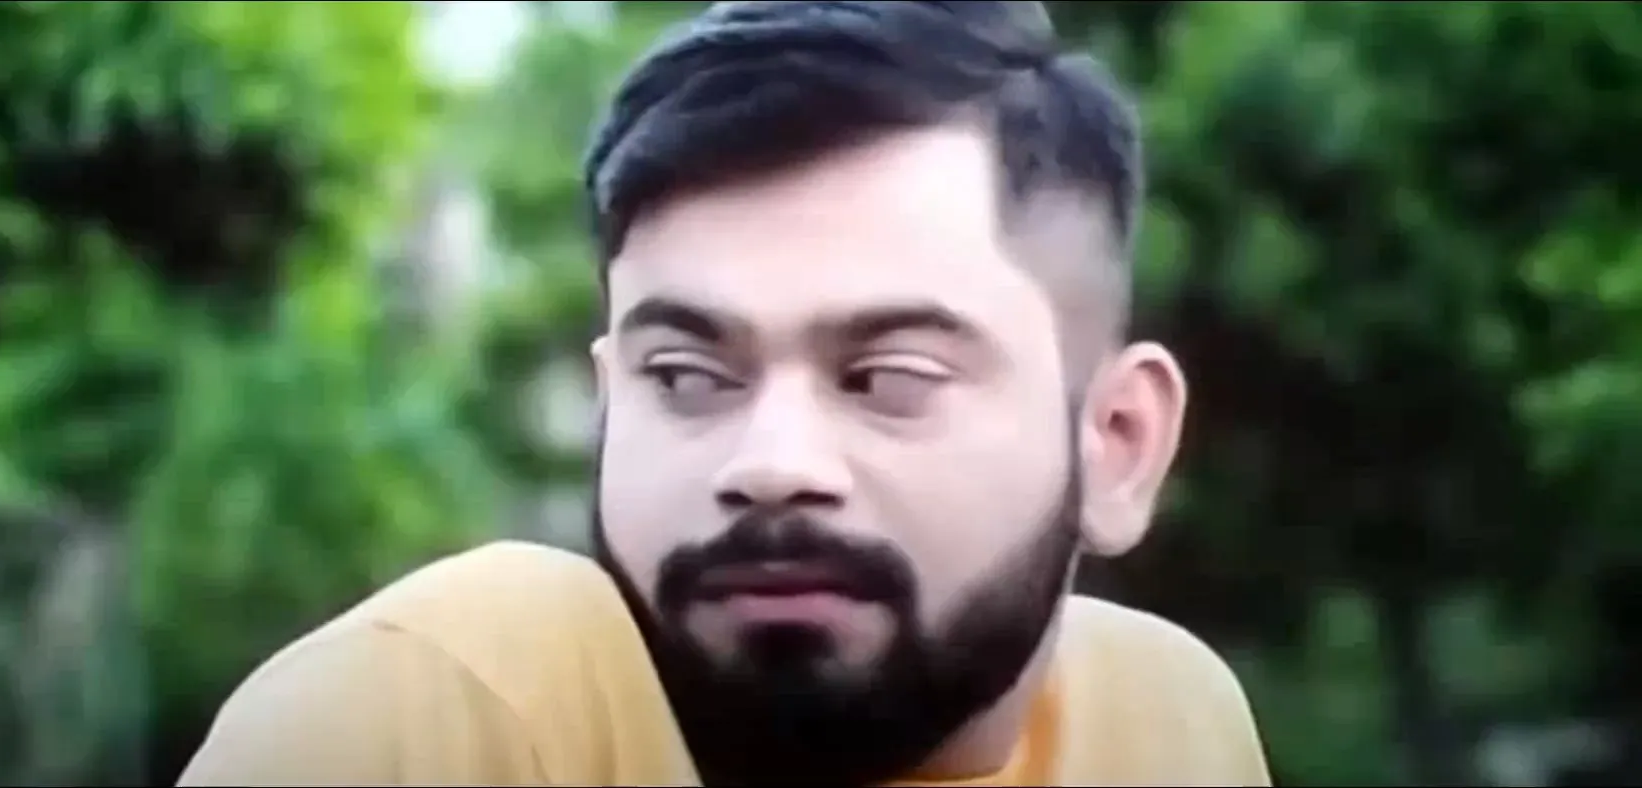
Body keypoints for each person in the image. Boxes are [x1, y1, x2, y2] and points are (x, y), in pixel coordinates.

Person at [178, 2, 1272, 785]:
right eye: (687, 378)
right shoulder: (447, 712)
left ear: (1117, 442)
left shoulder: (1164, 728)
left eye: (888, 378)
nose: (770, 463)